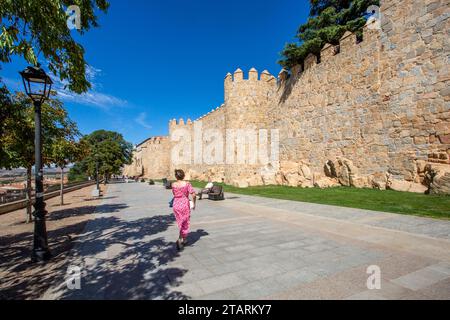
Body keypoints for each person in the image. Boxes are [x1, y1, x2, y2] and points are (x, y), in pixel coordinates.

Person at [171, 169, 196, 250]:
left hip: (176, 204)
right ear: (183, 176)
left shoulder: (173, 184)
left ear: (176, 176)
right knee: (185, 222)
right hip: (184, 204)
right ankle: (180, 239)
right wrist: (194, 204)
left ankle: (184, 239)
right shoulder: (187, 184)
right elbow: (194, 195)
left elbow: (174, 194)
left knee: (180, 222)